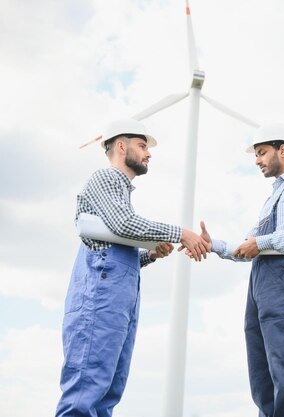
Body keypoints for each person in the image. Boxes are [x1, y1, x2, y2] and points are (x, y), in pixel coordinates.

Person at [56, 118, 211, 417]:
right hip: (99, 302)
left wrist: (149, 255)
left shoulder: (119, 193)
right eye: (142, 146)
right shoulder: (107, 178)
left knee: (107, 392)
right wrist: (182, 233)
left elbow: (112, 246)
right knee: (86, 391)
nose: (148, 153)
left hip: (116, 303)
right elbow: (123, 224)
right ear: (121, 146)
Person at [197, 122, 284, 417]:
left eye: (262, 152)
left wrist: (260, 243)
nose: (257, 160)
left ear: (282, 149)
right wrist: (213, 245)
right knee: (262, 376)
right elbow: (247, 248)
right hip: (262, 281)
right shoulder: (272, 197)